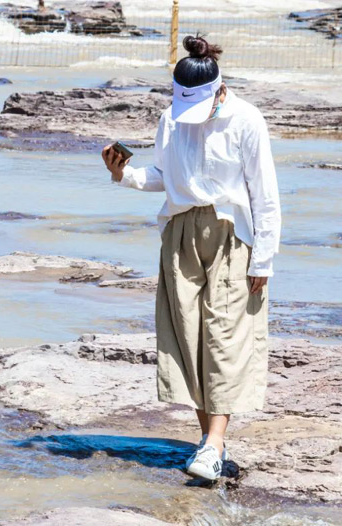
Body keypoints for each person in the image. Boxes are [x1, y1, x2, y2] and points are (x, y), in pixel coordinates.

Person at [101, 34, 281, 481]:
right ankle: (208, 441)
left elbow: (265, 194)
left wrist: (263, 258)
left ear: (219, 90)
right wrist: (122, 174)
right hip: (180, 233)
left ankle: (215, 443)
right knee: (188, 336)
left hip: (231, 234)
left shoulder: (247, 120)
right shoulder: (171, 118)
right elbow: (164, 175)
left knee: (224, 335)